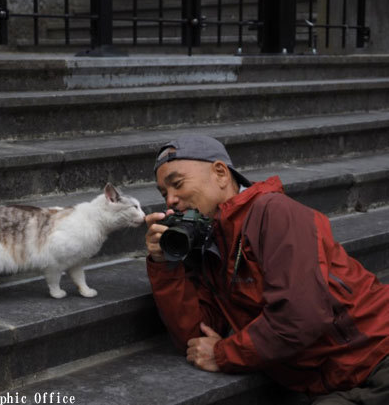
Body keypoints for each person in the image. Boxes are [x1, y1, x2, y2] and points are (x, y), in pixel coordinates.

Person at [145, 135, 389, 404]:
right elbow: (195, 339)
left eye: (177, 184)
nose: (170, 200)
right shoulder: (211, 242)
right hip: (330, 381)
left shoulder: (274, 212)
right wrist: (164, 264)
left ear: (220, 173)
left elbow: (302, 317)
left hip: (376, 356)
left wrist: (225, 353)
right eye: (163, 194)